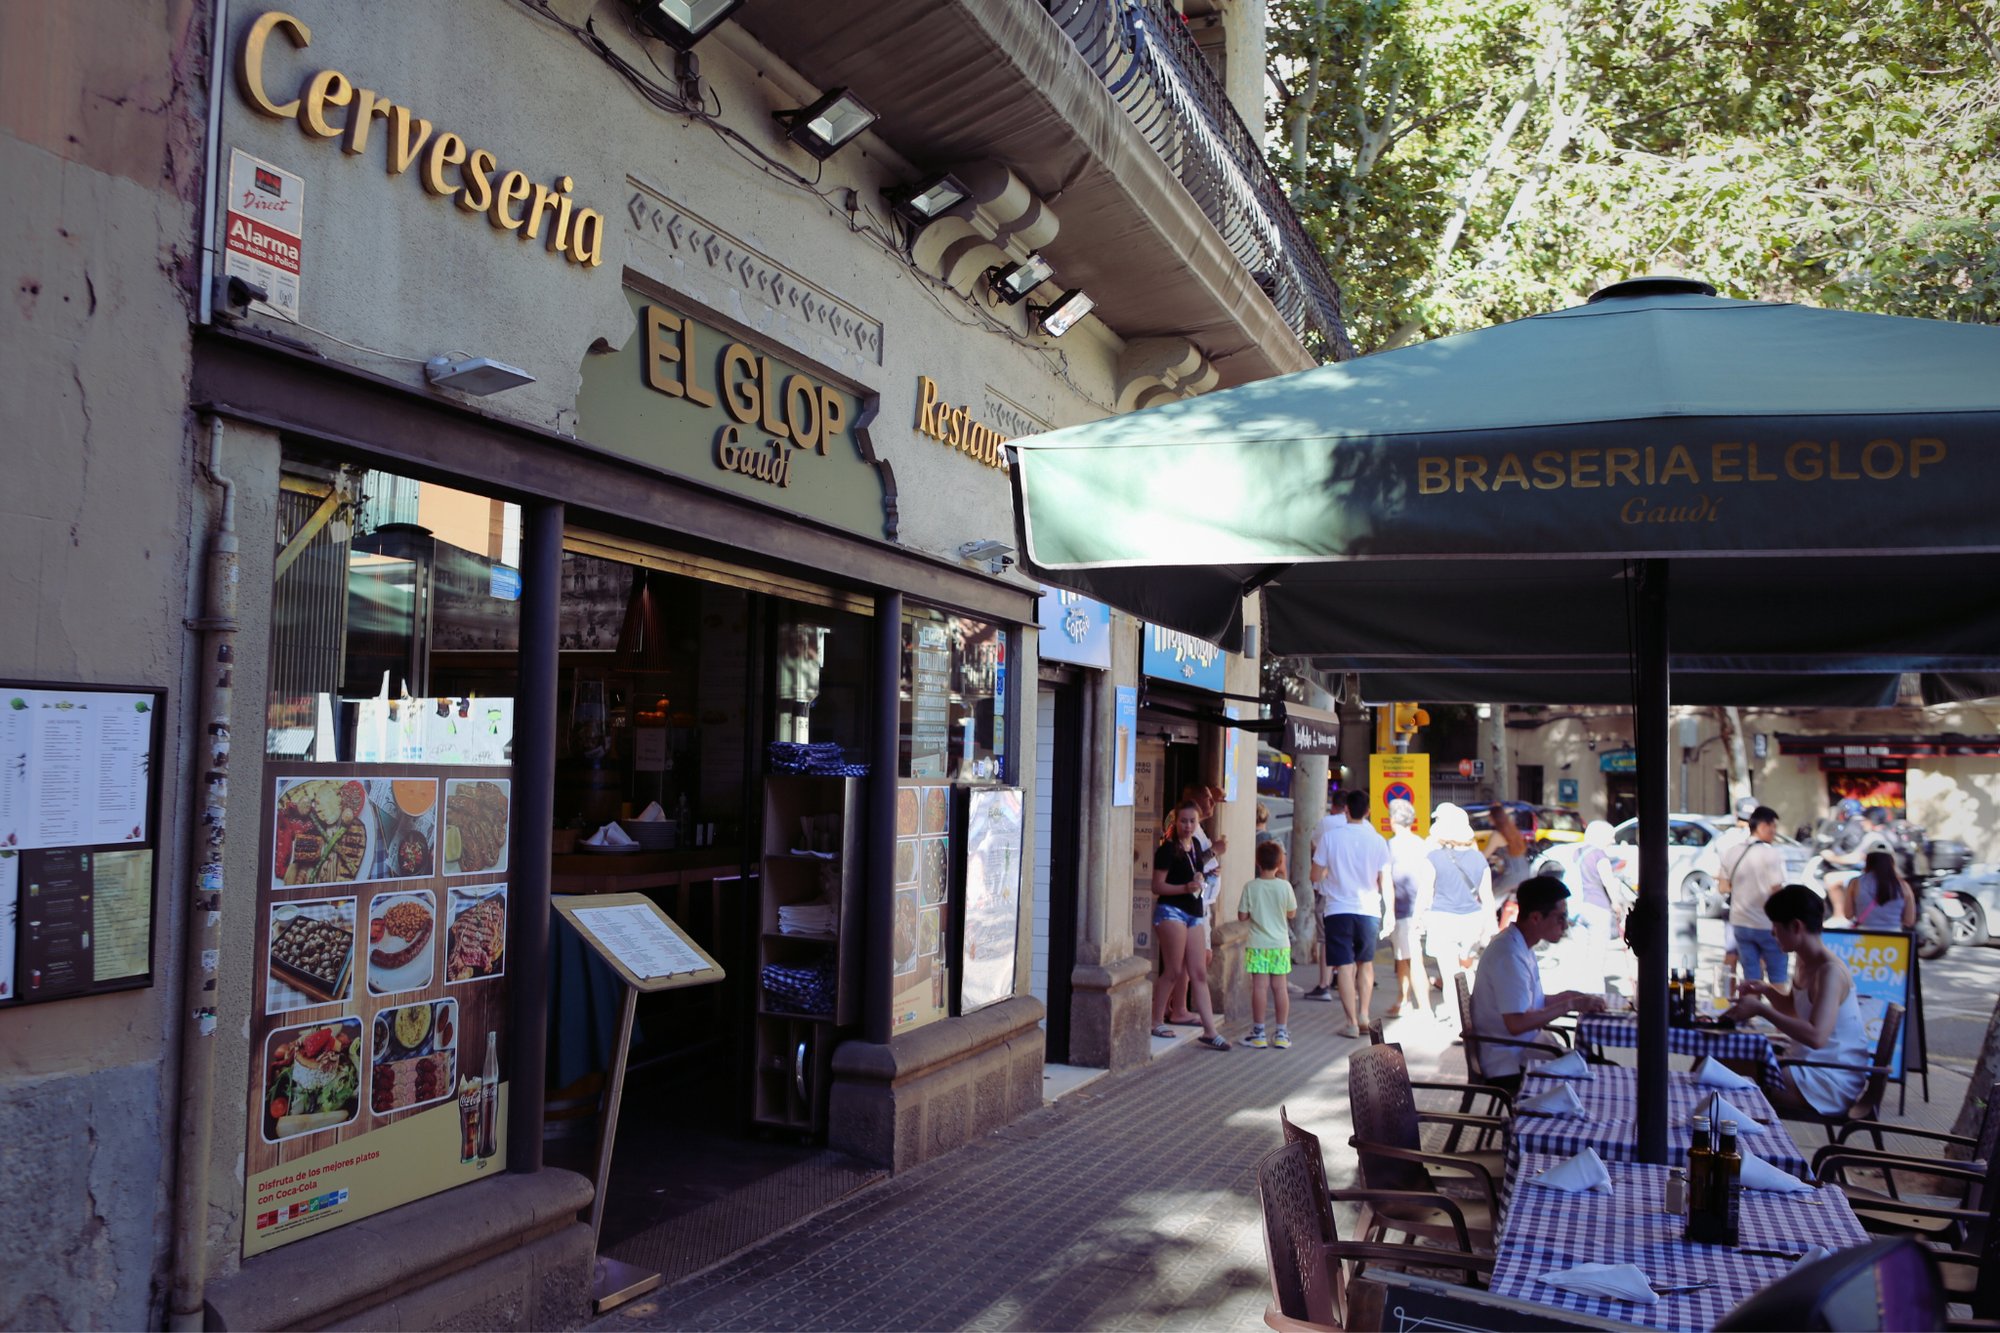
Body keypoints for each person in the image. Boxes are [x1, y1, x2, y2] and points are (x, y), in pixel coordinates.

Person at [1723, 884, 1871, 1115]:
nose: (1772, 933)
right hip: (1807, 1066)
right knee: (1721, 1061)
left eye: (1775, 925)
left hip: (1829, 1080)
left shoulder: (1830, 971)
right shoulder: (1804, 961)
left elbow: (1816, 1036)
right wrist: (1766, 990)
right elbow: (1793, 1009)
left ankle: (1735, 1140)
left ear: (1796, 927)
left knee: (1724, 1071)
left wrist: (1761, 1009)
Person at [1468, 875, 1607, 1094]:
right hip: (1509, 1062)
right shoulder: (1509, 954)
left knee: (1602, 1068)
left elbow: (1532, 1004)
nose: (1565, 924)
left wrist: (1572, 998)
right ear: (1535, 918)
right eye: (1560, 917)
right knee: (1600, 1076)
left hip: (1527, 1050)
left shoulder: (1520, 945)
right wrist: (1569, 1004)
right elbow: (1516, 1023)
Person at [1312, 788, 1393, 1038]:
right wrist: (1388, 912)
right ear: (1368, 812)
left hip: (1337, 909)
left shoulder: (1330, 838)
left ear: (1346, 809)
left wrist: (1327, 881)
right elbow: (1385, 881)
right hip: (1369, 910)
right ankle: (1364, 1014)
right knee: (1365, 964)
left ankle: (1350, 1022)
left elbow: (1315, 875)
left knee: (1345, 967)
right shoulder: (1378, 840)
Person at [1148, 801, 1229, 1049]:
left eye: (1192, 821)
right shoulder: (1166, 850)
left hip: (1194, 912)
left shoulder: (1194, 846)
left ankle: (1210, 1031)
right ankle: (1155, 1020)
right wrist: (1185, 888)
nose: (1188, 826)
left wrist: (1201, 875)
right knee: (1173, 970)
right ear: (1175, 823)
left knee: (1199, 972)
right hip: (1171, 911)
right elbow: (1157, 886)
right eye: (1184, 821)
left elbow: (1195, 870)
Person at [1419, 802, 1496, 1027]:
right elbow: (1487, 897)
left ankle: (1458, 1020)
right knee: (1467, 969)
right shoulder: (1479, 859)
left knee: (1450, 972)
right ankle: (1472, 1015)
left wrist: (1418, 919)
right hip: (1472, 921)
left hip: (1443, 921)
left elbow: (1425, 892)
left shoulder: (1433, 857)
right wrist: (1490, 926)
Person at [1163, 784, 1223, 1024]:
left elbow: (1197, 864)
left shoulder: (1197, 837)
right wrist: (1215, 852)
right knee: (1184, 965)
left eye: (1192, 822)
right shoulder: (1175, 843)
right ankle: (1173, 1010)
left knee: (1195, 963)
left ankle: (1178, 1009)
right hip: (1187, 907)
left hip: (1199, 905)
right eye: (1208, 798)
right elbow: (1185, 865)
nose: (1212, 803)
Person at [1238, 840, 1296, 1049]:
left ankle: (1259, 1032)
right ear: (1280, 862)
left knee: (1259, 987)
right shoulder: (1285, 886)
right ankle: (1281, 1033)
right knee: (1280, 988)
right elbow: (1291, 913)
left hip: (1258, 944)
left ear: (1257, 862)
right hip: (1280, 944)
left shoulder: (1250, 887)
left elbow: (1243, 916)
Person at [1725, 805, 1791, 985]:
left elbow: (1723, 887)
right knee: (1777, 975)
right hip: (1767, 924)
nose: (1774, 832)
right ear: (1763, 826)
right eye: (1773, 827)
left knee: (1751, 976)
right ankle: (1777, 1013)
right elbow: (1777, 890)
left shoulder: (1732, 851)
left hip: (1739, 922)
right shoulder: (1770, 853)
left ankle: (1752, 1009)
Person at [1568, 821, 1633, 993]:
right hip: (1598, 908)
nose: (1612, 841)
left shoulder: (1577, 853)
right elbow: (1608, 882)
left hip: (1578, 910)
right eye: (1610, 837)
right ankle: (1596, 997)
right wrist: (1616, 904)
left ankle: (1580, 994)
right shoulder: (1599, 855)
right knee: (1596, 960)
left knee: (1581, 958)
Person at [1383, 799, 1431, 1018]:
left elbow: (1387, 882)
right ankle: (1404, 999)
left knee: (1412, 959)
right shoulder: (1421, 844)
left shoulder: (1391, 846)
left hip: (1404, 909)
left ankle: (1425, 1008)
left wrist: (1389, 913)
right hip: (1421, 908)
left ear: (1393, 820)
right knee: (1404, 957)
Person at [1712, 794, 1761, 980]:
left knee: (1731, 953)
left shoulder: (1724, 840)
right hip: (1757, 906)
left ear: (1736, 815)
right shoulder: (1760, 840)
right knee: (1757, 957)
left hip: (1732, 903)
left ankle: (1728, 998)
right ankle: (1752, 997)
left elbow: (1715, 873)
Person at [1820, 805, 1893, 926]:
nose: (1862, 823)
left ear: (1872, 821)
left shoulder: (1872, 837)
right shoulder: (1888, 833)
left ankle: (1839, 917)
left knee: (1831, 879)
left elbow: (1855, 857)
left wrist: (1832, 857)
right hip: (1885, 876)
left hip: (1870, 876)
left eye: (1865, 820)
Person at [1853, 848, 1918, 929]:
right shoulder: (1903, 885)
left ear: (1868, 861)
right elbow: (1909, 921)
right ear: (1892, 862)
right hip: (1894, 937)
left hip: (1864, 938)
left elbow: (1848, 914)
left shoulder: (1855, 883)